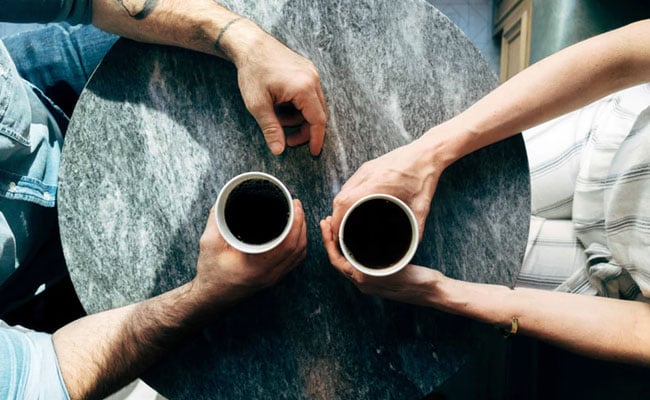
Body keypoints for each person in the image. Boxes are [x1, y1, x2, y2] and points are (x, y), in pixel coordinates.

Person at [0, 0, 325, 398]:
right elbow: (40, 376)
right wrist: (206, 295)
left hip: (32, 90)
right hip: (31, 266)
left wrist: (242, 40)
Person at [321, 19, 650, 366]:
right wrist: (428, 154)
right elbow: (623, 56)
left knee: (461, 262)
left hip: (618, 282)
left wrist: (439, 291)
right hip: (611, 145)